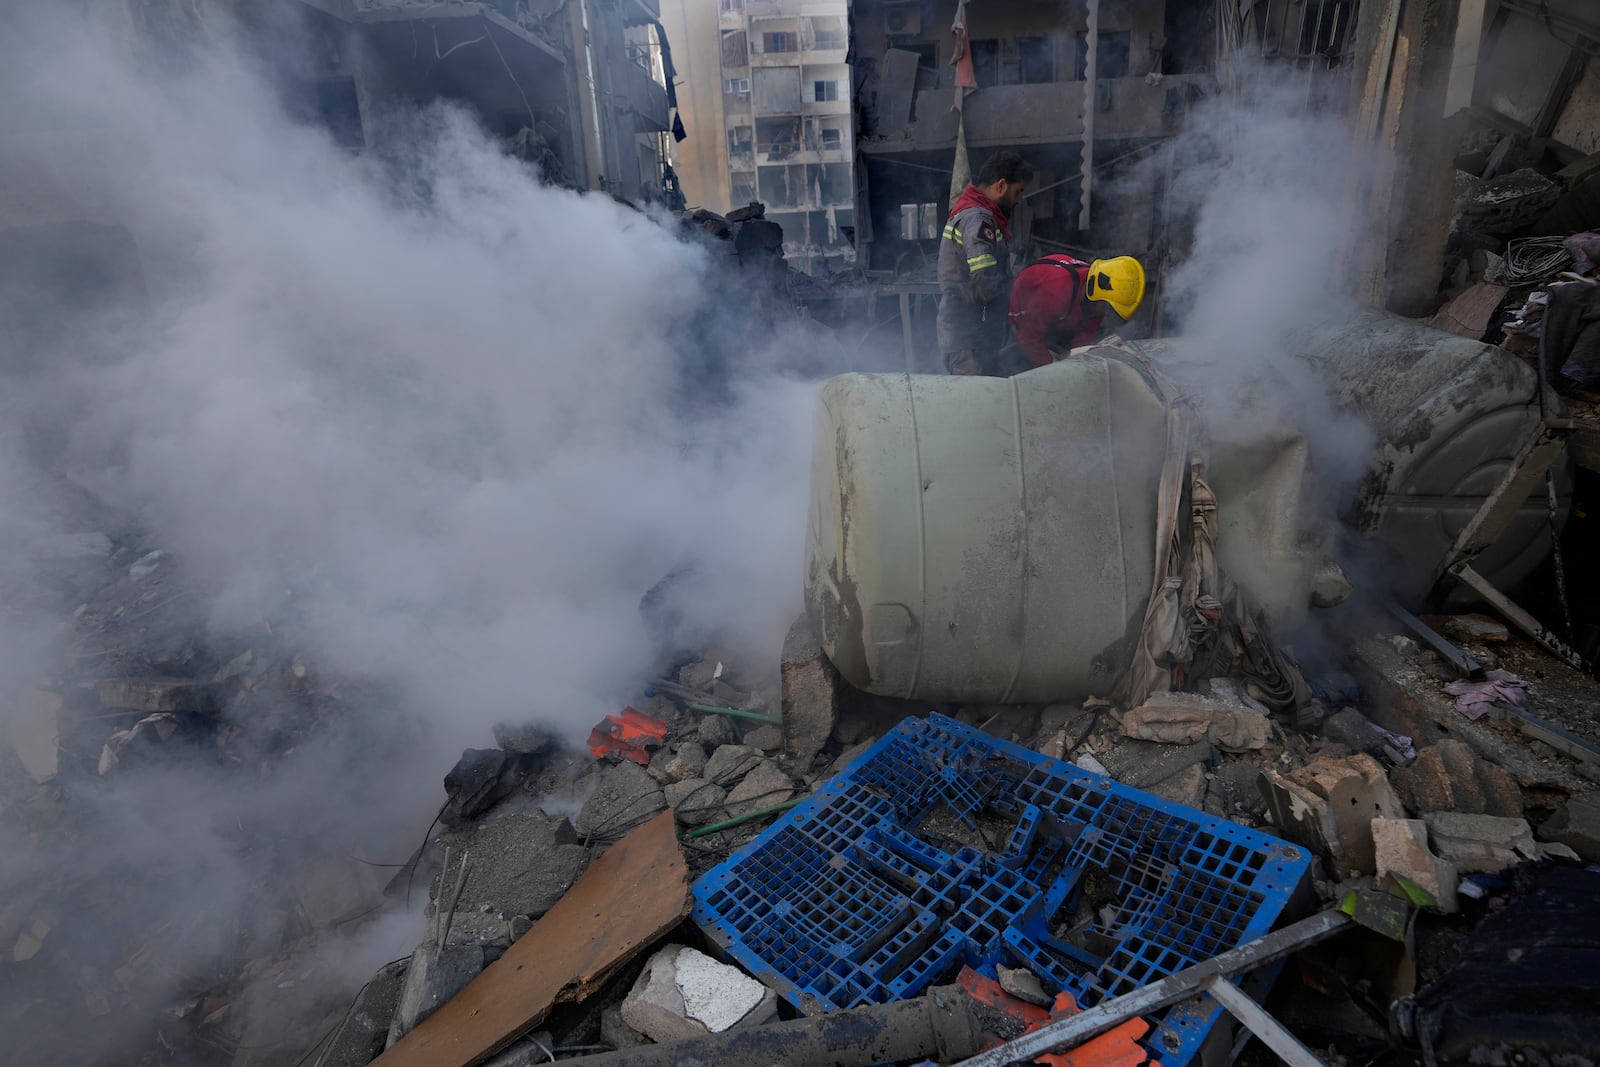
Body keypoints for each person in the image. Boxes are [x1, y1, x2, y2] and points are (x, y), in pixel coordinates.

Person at [937, 151, 1033, 375]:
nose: (1018, 200)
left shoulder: (976, 214)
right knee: (976, 403)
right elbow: (985, 278)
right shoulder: (978, 219)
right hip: (969, 337)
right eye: (1017, 192)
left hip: (974, 334)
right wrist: (1017, 292)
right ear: (1001, 186)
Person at [1006, 254, 1147, 369]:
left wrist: (1077, 361)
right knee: (1019, 364)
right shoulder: (1055, 293)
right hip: (1020, 313)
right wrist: (1053, 369)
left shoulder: (1095, 296)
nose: (1108, 314)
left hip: (1056, 316)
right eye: (1108, 308)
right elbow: (1028, 337)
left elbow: (1084, 336)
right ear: (1095, 293)